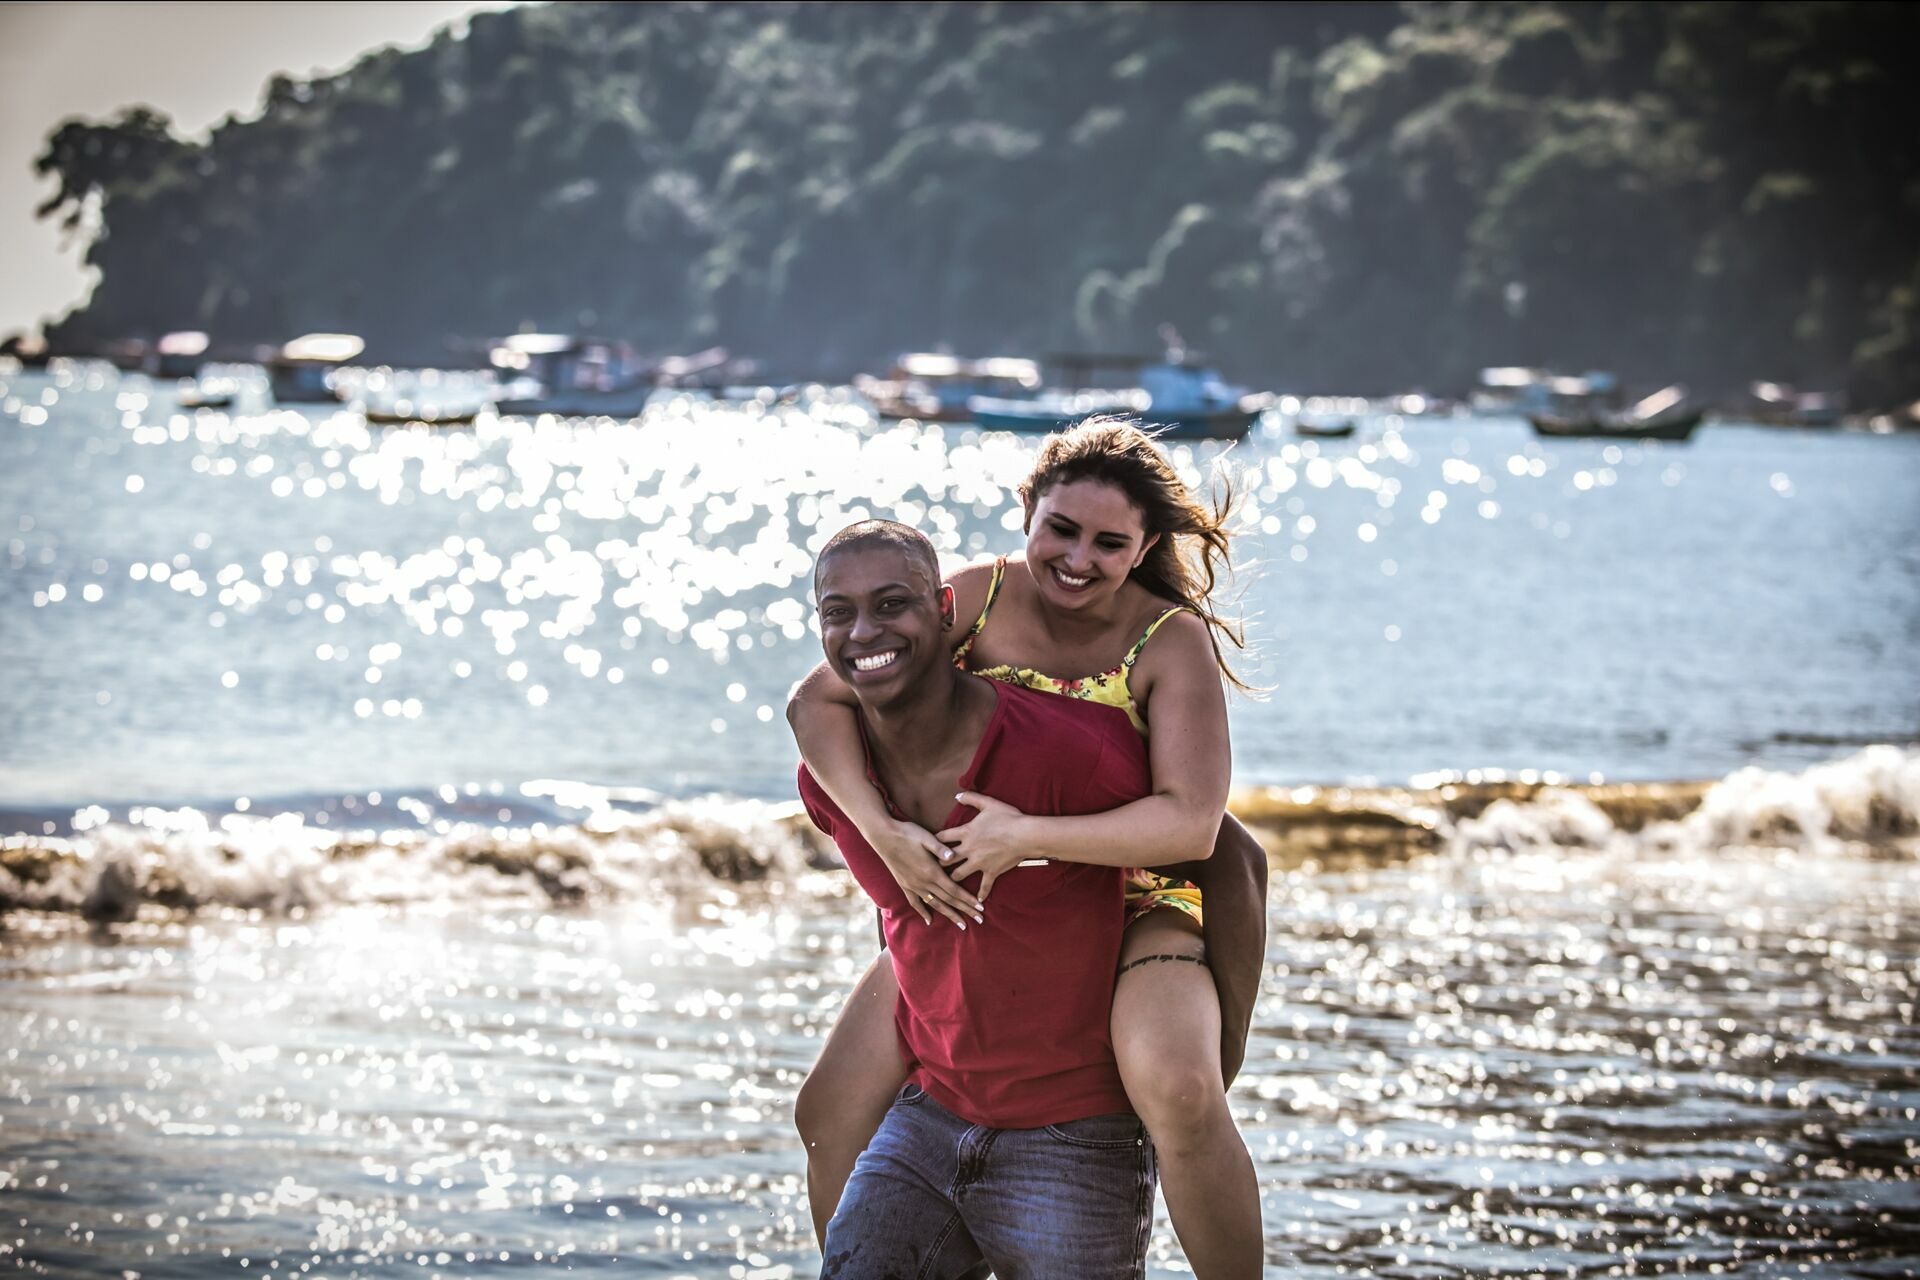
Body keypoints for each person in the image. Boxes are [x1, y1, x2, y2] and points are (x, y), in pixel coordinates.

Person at [789, 417, 1267, 1277]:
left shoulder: (1170, 640)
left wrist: (1028, 836)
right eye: (1061, 529)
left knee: (1179, 1087)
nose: (1078, 558)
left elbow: (1194, 824)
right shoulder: (979, 594)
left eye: (1109, 542)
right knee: (827, 1107)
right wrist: (884, 833)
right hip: (988, 900)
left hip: (1138, 896)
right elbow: (817, 703)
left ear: (1145, 545)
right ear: (1027, 514)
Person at [800, 519, 1164, 1276]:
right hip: (927, 1122)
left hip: (1071, 1141)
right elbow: (899, 924)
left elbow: (1219, 852)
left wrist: (1198, 1070)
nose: (863, 631)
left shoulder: (1070, 748)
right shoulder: (832, 777)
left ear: (943, 611)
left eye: (891, 604)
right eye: (838, 612)